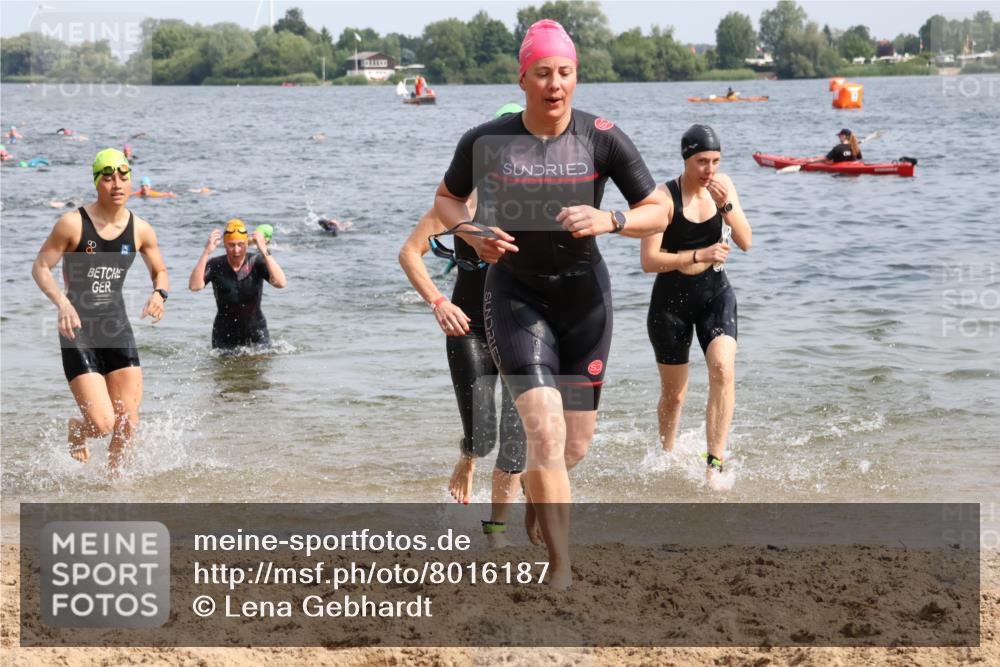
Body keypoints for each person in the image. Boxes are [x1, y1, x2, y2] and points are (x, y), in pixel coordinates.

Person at [434, 20, 669, 588]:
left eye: (564, 72)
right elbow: (445, 201)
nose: (554, 84)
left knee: (575, 447)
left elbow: (659, 208)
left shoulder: (602, 137)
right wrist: (469, 232)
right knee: (543, 431)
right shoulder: (486, 140)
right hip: (516, 294)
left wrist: (611, 220)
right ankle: (560, 566)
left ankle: (542, 492)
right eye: (542, 73)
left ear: (576, 77)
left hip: (586, 300)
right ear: (523, 79)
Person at [400, 103, 528, 547]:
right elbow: (409, 253)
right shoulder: (459, 203)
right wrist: (437, 301)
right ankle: (469, 454)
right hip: (468, 327)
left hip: (520, 328)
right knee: (483, 434)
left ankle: (496, 532)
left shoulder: (540, 201)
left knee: (518, 436)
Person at [30, 148, 169, 471]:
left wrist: (159, 294)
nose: (117, 184)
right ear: (97, 183)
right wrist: (62, 302)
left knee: (129, 422)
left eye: (123, 177)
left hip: (116, 326)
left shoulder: (141, 230)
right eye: (108, 178)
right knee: (104, 424)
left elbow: (160, 270)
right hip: (78, 329)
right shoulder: (72, 224)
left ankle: (113, 483)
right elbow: (40, 267)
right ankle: (78, 428)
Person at [640, 124, 752, 491]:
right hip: (670, 303)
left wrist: (727, 207)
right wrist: (698, 254)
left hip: (715, 295)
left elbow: (746, 241)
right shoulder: (662, 197)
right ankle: (666, 454)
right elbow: (649, 260)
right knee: (674, 396)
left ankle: (714, 462)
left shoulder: (724, 188)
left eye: (716, 161)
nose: (710, 170)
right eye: (702, 161)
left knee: (722, 369)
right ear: (686, 159)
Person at [189, 218, 287, 351]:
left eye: (240, 244)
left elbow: (281, 283)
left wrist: (264, 250)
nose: (236, 250)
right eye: (231, 245)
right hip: (224, 335)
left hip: (257, 333)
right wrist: (206, 252)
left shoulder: (256, 262)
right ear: (224, 244)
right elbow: (195, 286)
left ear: (247, 243)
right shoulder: (215, 264)